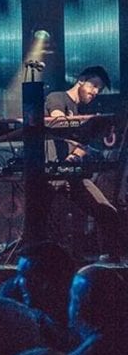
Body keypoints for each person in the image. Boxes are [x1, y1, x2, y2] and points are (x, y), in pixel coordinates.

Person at [44, 66, 126, 259]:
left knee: (107, 212)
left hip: (70, 172)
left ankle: (112, 262)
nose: (95, 92)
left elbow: (79, 146)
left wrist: (80, 151)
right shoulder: (57, 97)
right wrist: (85, 129)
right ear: (81, 80)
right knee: (43, 222)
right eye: (94, 85)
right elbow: (58, 122)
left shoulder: (78, 110)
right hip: (51, 172)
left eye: (99, 89)